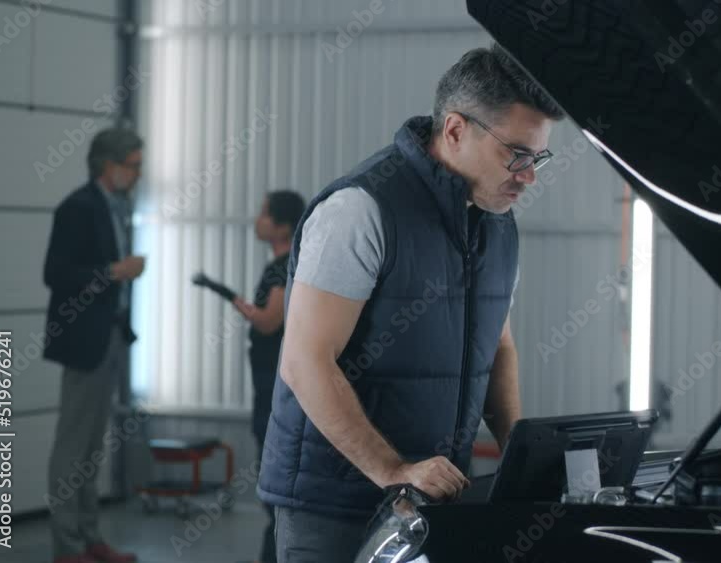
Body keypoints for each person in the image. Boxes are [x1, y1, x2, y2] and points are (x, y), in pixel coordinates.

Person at [257, 44, 564, 562]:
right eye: (516, 154)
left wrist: (520, 452)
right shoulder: (360, 209)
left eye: (538, 157)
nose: (529, 175)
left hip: (429, 498)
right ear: (455, 130)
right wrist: (393, 472)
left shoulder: (496, 223)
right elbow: (304, 361)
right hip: (334, 504)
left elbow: (498, 344)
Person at [43, 128, 145, 563]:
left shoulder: (117, 207)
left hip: (111, 335)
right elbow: (56, 273)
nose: (138, 174)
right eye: (134, 166)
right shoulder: (78, 208)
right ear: (110, 165)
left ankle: (89, 537)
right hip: (84, 339)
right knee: (73, 445)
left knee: (92, 446)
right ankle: (67, 546)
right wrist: (113, 272)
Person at [232, 189, 306, 563]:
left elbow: (269, 320)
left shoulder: (282, 267)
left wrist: (244, 308)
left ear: (281, 226)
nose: (257, 220)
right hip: (272, 380)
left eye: (264, 214)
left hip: (274, 383)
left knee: (270, 453)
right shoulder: (291, 264)